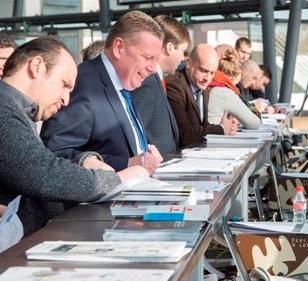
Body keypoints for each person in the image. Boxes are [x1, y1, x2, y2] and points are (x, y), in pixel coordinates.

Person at [0, 37, 148, 236]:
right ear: (37, 67)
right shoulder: (4, 110)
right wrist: (117, 179)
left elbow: (37, 161)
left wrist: (84, 160)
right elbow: (44, 174)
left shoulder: (15, 109)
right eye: (64, 84)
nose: (66, 99)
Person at [41, 11, 164, 173]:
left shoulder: (122, 84)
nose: (153, 68)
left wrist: (144, 153)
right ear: (119, 48)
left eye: (155, 60)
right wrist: (125, 163)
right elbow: (55, 154)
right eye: (147, 57)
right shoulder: (83, 84)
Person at [132, 15, 190, 155]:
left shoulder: (155, 79)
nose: (183, 58)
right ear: (170, 48)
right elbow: (137, 132)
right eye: (183, 51)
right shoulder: (147, 81)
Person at [166, 43, 237, 148]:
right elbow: (184, 133)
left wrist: (225, 126)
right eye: (204, 71)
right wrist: (221, 128)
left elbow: (201, 127)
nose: (207, 78)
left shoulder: (203, 88)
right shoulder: (174, 85)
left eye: (212, 73)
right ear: (189, 63)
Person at [208, 48, 261, 130]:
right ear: (230, 78)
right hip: (213, 139)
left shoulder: (206, 85)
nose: (235, 88)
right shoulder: (224, 92)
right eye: (235, 84)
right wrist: (254, 109)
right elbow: (255, 123)